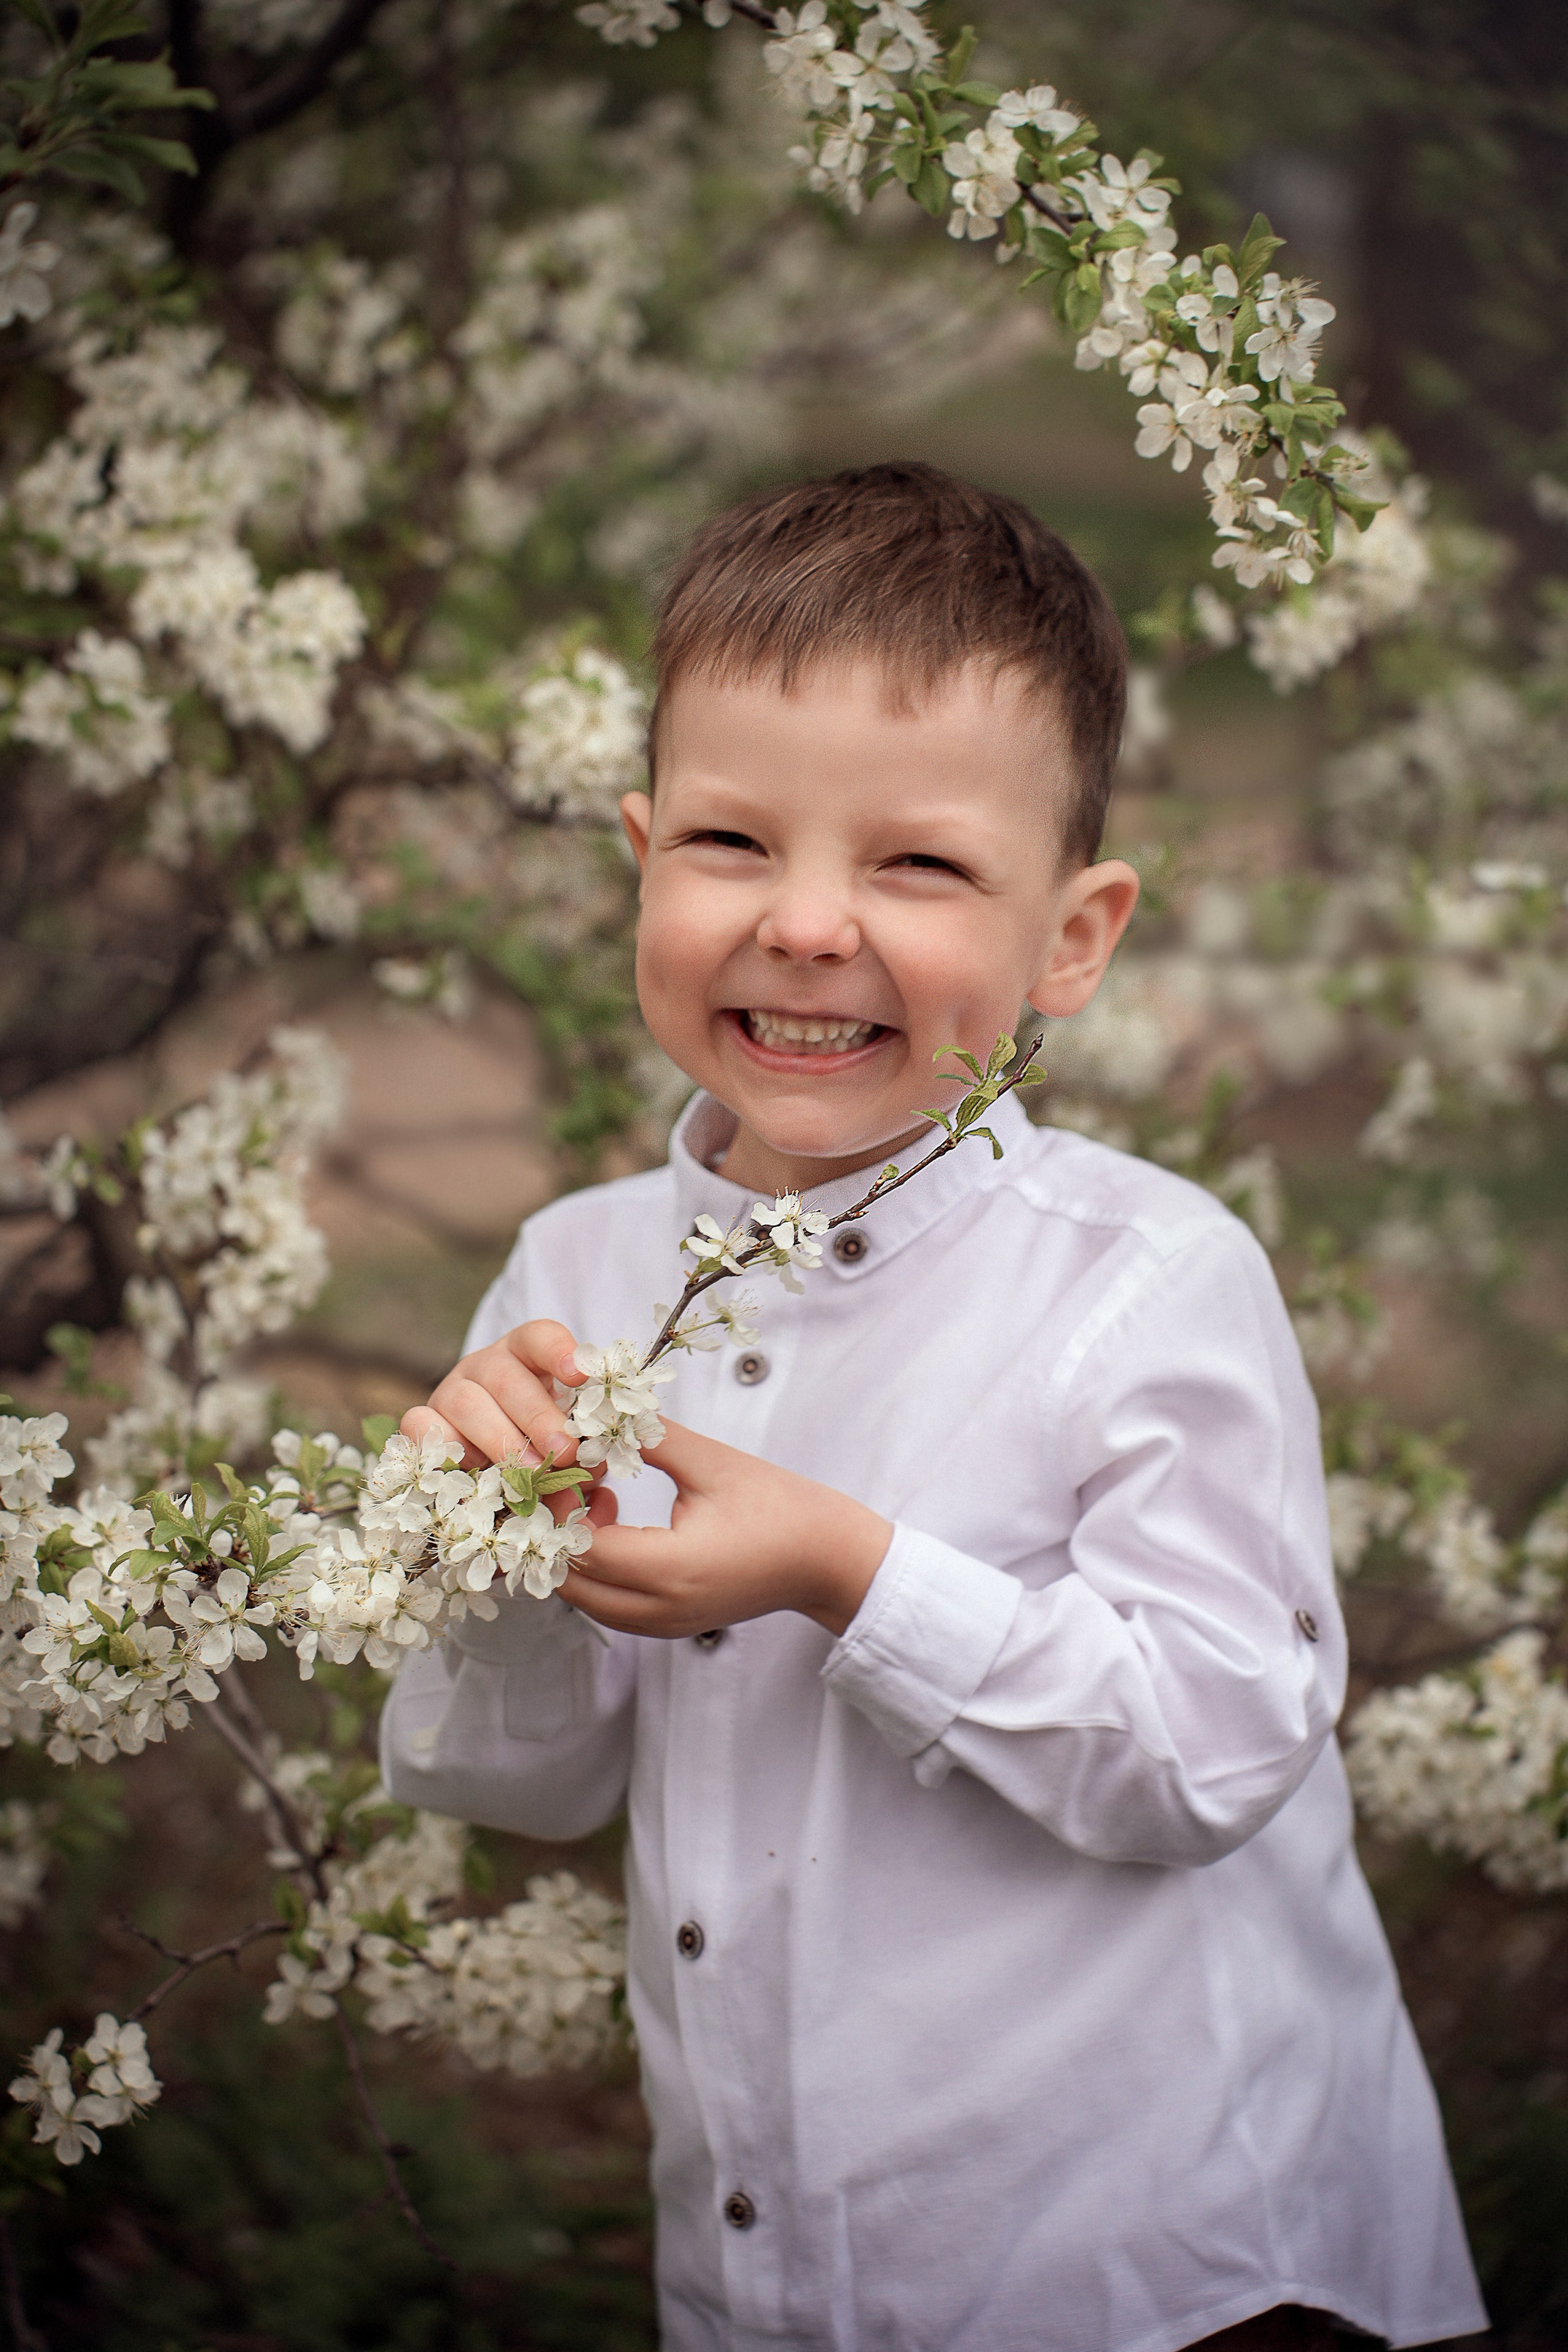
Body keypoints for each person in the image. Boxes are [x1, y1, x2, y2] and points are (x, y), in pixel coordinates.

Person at [381, 463, 1487, 2352]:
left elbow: (1219, 1745)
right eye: (732, 841)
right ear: (640, 854)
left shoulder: (1141, 1278)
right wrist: (490, 1562)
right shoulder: (571, 1276)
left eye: (918, 864)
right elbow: (519, 1781)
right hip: (774, 2281)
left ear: (1074, 934)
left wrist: (848, 1570)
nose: (808, 926)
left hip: (1182, 2277)